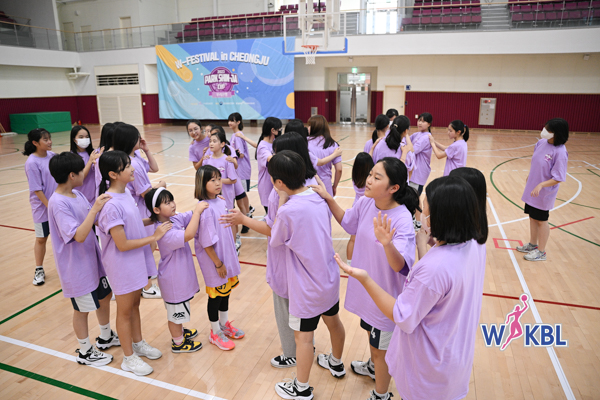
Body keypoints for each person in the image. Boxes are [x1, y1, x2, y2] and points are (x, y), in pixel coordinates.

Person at [335, 175, 486, 400]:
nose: (421, 215)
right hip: (452, 360)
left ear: (440, 216)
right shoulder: (471, 246)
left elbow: (402, 315)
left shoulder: (434, 269)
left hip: (427, 374)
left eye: (425, 209)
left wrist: (365, 279)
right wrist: (425, 243)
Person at [311, 157, 418, 400]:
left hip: (385, 299)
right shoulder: (367, 202)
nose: (368, 180)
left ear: (394, 188)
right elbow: (349, 224)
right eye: (370, 174)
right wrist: (329, 198)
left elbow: (401, 266)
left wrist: (387, 244)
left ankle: (381, 394)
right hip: (368, 293)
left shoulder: (401, 219)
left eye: (376, 177)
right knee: (372, 338)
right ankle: (373, 368)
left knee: (381, 350)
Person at [220, 132, 319, 369]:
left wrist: (243, 219)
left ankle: (292, 353)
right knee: (302, 310)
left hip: (286, 260)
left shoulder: (280, 194)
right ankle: (306, 346)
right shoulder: (313, 185)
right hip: (307, 261)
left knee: (285, 306)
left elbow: (273, 230)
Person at [269, 151, 346, 400]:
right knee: (334, 322)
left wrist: (282, 201)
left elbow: (275, 239)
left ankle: (301, 388)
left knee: (303, 338)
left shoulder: (287, 210)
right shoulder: (318, 196)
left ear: (279, 182)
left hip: (306, 287)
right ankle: (336, 362)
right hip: (328, 278)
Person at [96, 151, 171, 376]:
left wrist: (156, 220)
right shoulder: (110, 205)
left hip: (136, 259)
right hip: (122, 264)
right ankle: (128, 358)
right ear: (113, 174)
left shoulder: (126, 193)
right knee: (125, 311)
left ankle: (138, 344)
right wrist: (154, 237)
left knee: (135, 305)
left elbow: (134, 222)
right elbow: (122, 244)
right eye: (127, 166)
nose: (133, 169)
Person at [48, 152, 119, 366]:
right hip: (76, 267)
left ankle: (105, 336)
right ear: (72, 175)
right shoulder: (58, 203)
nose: (84, 174)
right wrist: (95, 208)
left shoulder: (77, 194)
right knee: (82, 309)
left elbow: (93, 220)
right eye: (81, 171)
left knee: (104, 296)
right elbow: (78, 235)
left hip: (92, 260)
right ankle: (85, 351)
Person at [144, 188, 206, 353]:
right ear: (156, 210)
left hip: (178, 277)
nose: (173, 204)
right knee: (175, 314)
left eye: (172, 200)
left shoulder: (173, 219)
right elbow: (189, 234)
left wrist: (206, 203)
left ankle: (180, 332)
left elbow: (188, 215)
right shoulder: (165, 232)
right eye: (167, 203)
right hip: (173, 280)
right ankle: (178, 343)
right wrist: (198, 212)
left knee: (179, 309)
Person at [194, 165, 245, 351]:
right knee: (215, 297)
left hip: (226, 257)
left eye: (218, 178)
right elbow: (206, 242)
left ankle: (224, 325)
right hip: (216, 261)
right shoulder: (205, 209)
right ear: (202, 184)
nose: (218, 183)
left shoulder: (220, 201)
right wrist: (218, 263)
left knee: (226, 292)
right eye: (212, 180)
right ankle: (215, 332)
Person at [113, 123, 166, 299]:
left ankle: (144, 280)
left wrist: (146, 150)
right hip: (141, 208)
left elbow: (154, 168)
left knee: (148, 246)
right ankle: (145, 285)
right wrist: (161, 187)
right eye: (137, 137)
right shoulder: (131, 162)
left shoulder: (134, 157)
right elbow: (146, 193)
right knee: (146, 246)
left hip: (139, 208)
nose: (140, 139)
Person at [516, 118, 569, 262]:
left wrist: (541, 185)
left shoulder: (560, 152)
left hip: (544, 193)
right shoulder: (541, 143)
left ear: (557, 133)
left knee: (541, 220)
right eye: (545, 128)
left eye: (548, 130)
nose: (544, 131)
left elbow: (558, 177)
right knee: (532, 217)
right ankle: (532, 244)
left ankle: (541, 251)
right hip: (532, 189)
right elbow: (537, 163)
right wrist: (531, 177)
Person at [23, 128, 57, 286]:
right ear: (35, 143)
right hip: (42, 209)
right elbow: (37, 190)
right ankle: (39, 269)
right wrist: (50, 207)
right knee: (41, 239)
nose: (49, 141)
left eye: (49, 138)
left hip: (57, 206)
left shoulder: (52, 156)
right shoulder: (32, 163)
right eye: (45, 139)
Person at [347, 152, 375, 265]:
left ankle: (349, 263)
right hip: (366, 208)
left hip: (356, 206)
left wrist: (372, 148)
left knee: (353, 238)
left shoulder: (356, 176)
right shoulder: (370, 181)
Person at [307, 115, 342, 197]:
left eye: (309, 125)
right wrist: (335, 186)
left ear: (314, 127)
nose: (307, 128)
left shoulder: (305, 142)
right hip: (326, 184)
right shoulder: (333, 144)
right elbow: (339, 169)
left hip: (309, 183)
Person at [409, 112, 433, 229]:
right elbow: (406, 141)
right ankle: (414, 219)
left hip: (419, 172)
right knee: (411, 196)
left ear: (429, 124)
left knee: (415, 198)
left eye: (423, 121)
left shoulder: (426, 137)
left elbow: (413, 149)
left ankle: (418, 222)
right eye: (419, 120)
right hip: (414, 171)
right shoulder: (417, 134)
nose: (420, 123)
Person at [70, 125, 103, 204]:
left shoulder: (94, 153)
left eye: (87, 137)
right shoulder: (71, 157)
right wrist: (90, 161)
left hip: (95, 195)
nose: (84, 139)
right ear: (74, 139)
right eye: (81, 137)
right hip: (81, 196)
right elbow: (80, 177)